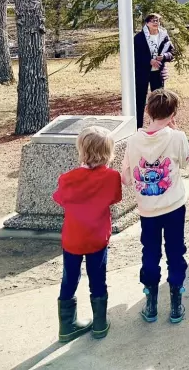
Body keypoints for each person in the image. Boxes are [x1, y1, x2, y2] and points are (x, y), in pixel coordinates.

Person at [122, 88, 189, 324]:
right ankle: (176, 300)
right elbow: (185, 162)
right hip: (173, 205)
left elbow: (126, 176)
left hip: (147, 209)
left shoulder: (133, 141)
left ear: (147, 111)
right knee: (175, 250)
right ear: (173, 113)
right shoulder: (177, 137)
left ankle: (151, 300)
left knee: (150, 251)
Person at [53, 126, 122, 343]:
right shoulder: (112, 176)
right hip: (97, 237)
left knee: (69, 278)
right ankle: (100, 323)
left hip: (73, 238)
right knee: (98, 278)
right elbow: (114, 198)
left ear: (81, 150)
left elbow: (60, 199)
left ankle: (67, 326)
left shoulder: (67, 178)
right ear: (109, 152)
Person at [134, 13, 174, 128]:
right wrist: (149, 61)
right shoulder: (139, 37)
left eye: (157, 21)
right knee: (140, 99)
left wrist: (164, 56)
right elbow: (135, 55)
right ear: (147, 23)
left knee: (159, 99)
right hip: (142, 73)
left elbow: (172, 52)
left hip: (157, 73)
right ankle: (138, 126)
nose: (156, 23)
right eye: (153, 21)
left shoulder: (164, 36)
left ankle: (158, 125)